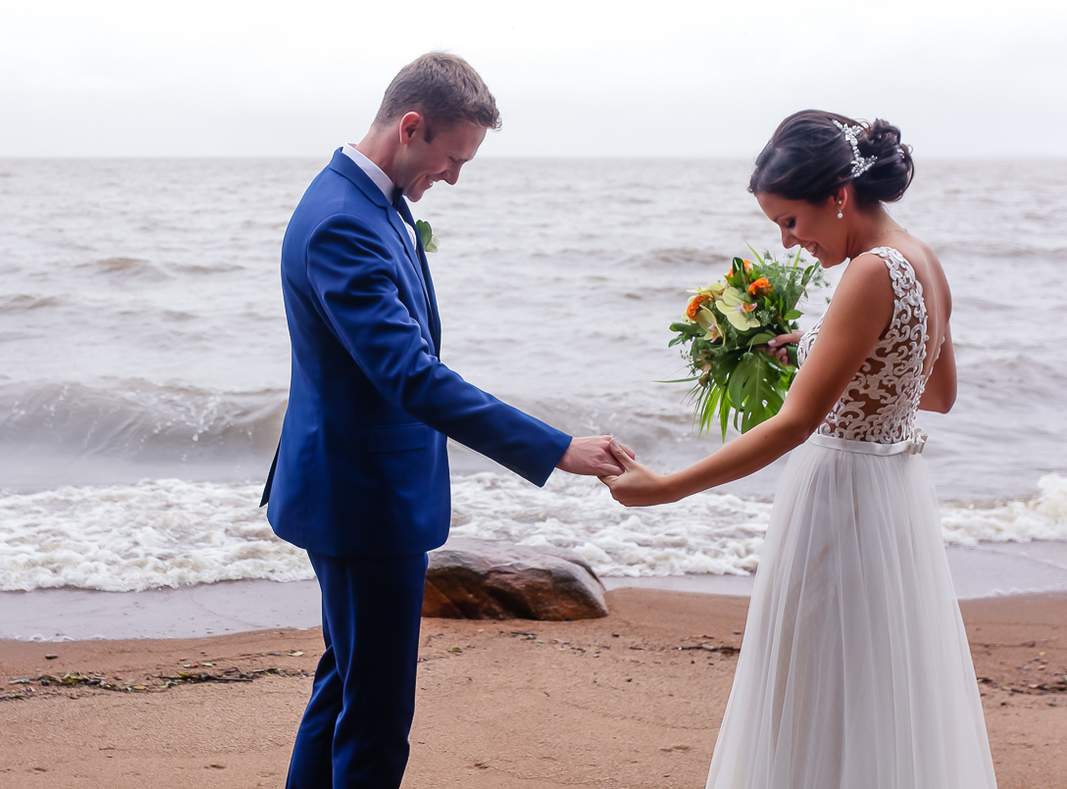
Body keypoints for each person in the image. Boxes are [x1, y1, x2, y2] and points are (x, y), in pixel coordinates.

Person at [261, 52, 625, 789]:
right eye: (452, 158)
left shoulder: (370, 202)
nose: (454, 177)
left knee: (344, 689)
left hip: (355, 489)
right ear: (412, 125)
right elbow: (410, 377)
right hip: (364, 502)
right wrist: (555, 448)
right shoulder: (342, 223)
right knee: (377, 716)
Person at [602, 110, 997, 788]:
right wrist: (818, 350)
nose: (788, 244)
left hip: (838, 501)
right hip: (894, 502)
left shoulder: (871, 273)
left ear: (838, 196)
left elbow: (794, 423)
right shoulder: (922, 260)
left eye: (790, 221)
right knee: (874, 687)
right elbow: (934, 395)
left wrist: (663, 487)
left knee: (815, 687)